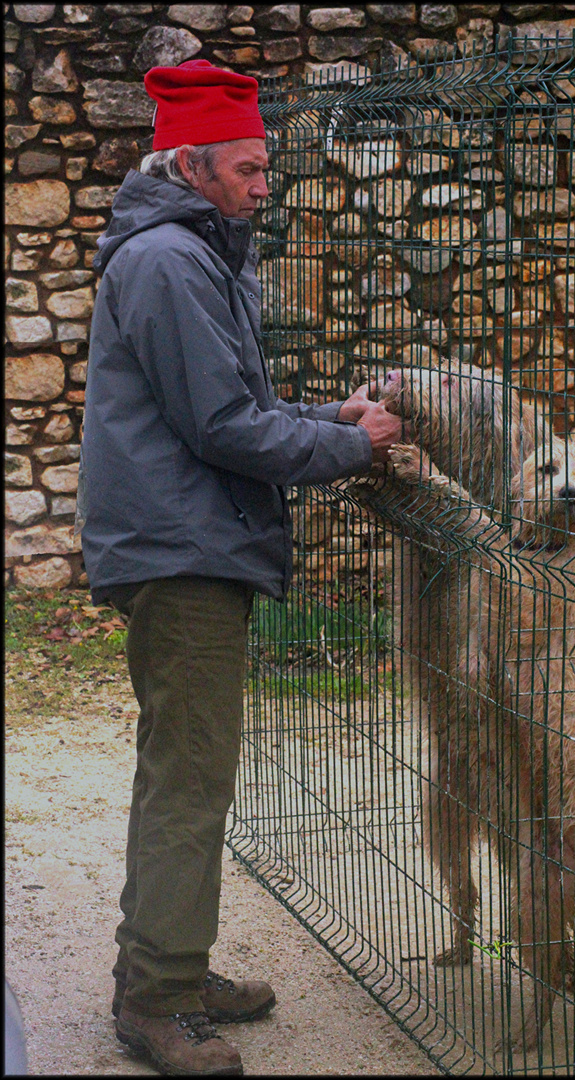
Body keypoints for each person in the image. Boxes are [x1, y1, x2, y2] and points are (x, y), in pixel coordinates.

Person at [78, 59, 403, 1077]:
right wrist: (354, 446)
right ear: (193, 162)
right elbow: (222, 426)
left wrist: (328, 418)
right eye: (252, 168)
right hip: (184, 554)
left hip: (187, 539)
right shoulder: (173, 262)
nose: (268, 186)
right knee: (188, 779)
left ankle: (167, 967)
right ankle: (159, 998)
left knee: (187, 773)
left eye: (267, 168)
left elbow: (231, 408)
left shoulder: (192, 253)